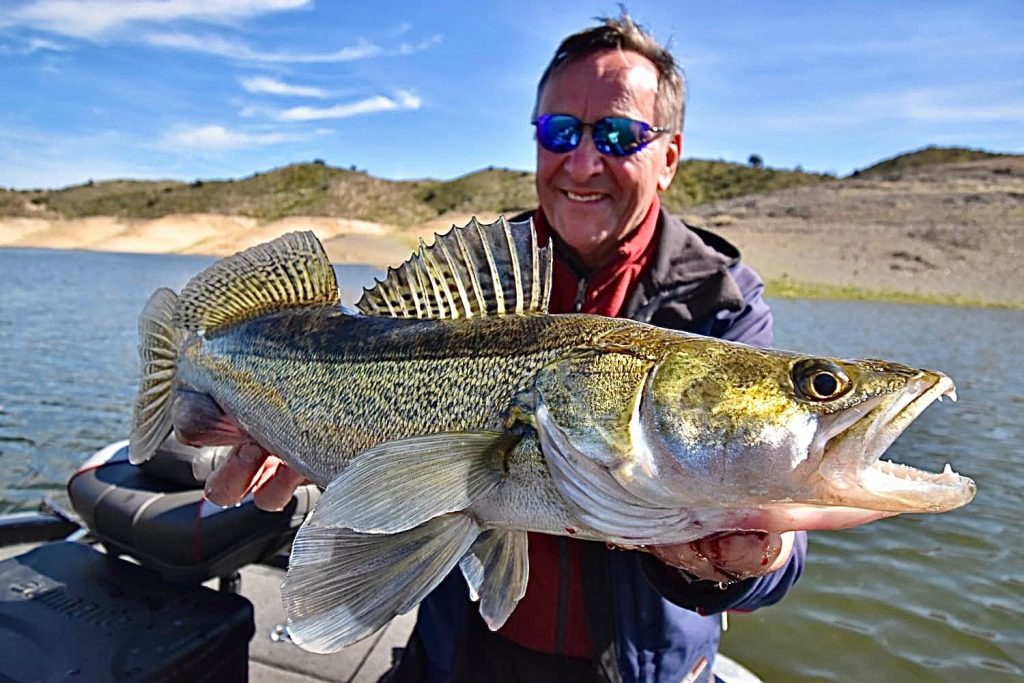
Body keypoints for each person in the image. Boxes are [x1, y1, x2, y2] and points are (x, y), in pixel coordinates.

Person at [205, 12, 807, 683]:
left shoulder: (723, 305)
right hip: (460, 655)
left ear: (668, 156)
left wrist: (752, 558)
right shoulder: (488, 274)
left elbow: (779, 550)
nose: (583, 161)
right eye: (559, 132)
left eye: (618, 134)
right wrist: (297, 435)